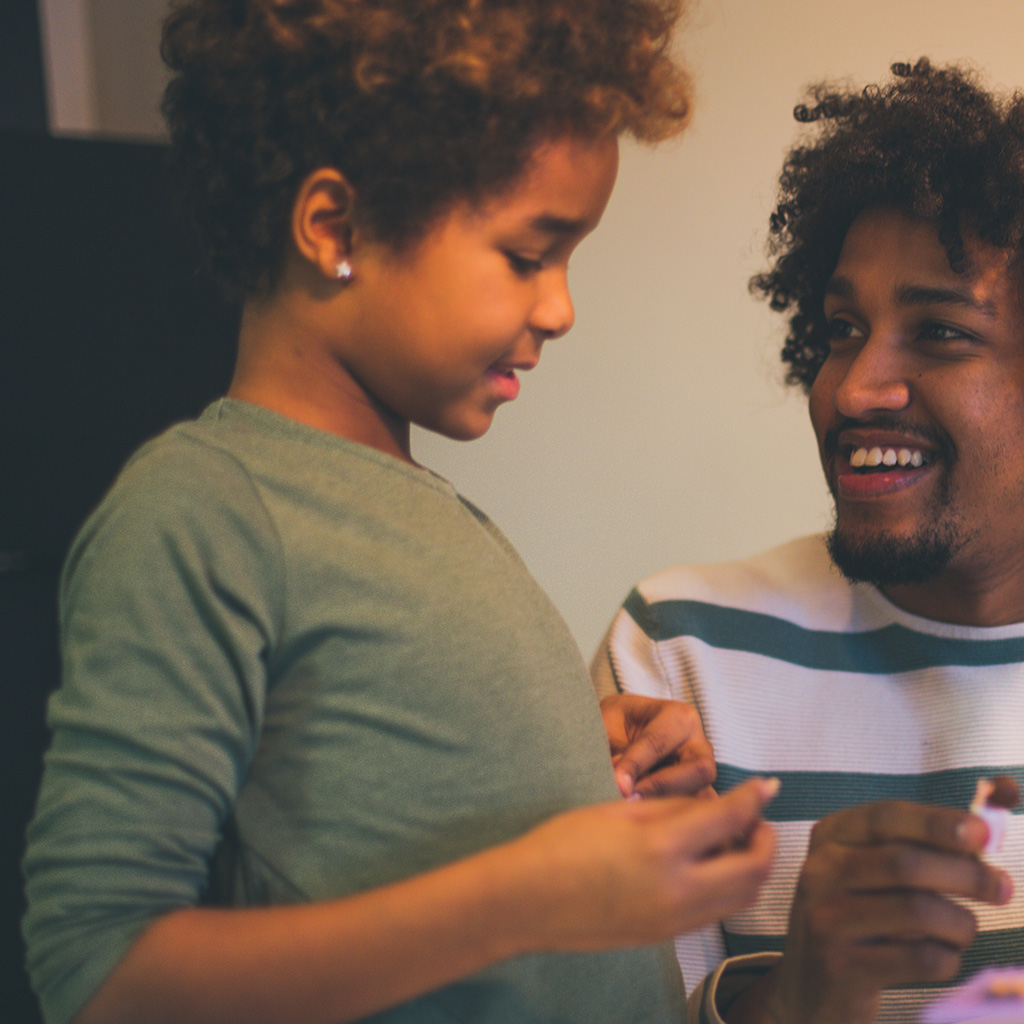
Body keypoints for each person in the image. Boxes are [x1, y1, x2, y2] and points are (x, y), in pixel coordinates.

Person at [20, 3, 780, 1024]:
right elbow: (99, 971)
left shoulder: (424, 511)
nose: (561, 309)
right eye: (528, 255)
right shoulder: (204, 509)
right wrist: (528, 896)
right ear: (335, 229)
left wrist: (570, 763)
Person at [592, 58, 1024, 1024]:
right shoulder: (682, 656)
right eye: (842, 328)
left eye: (940, 332)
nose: (855, 387)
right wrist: (797, 997)